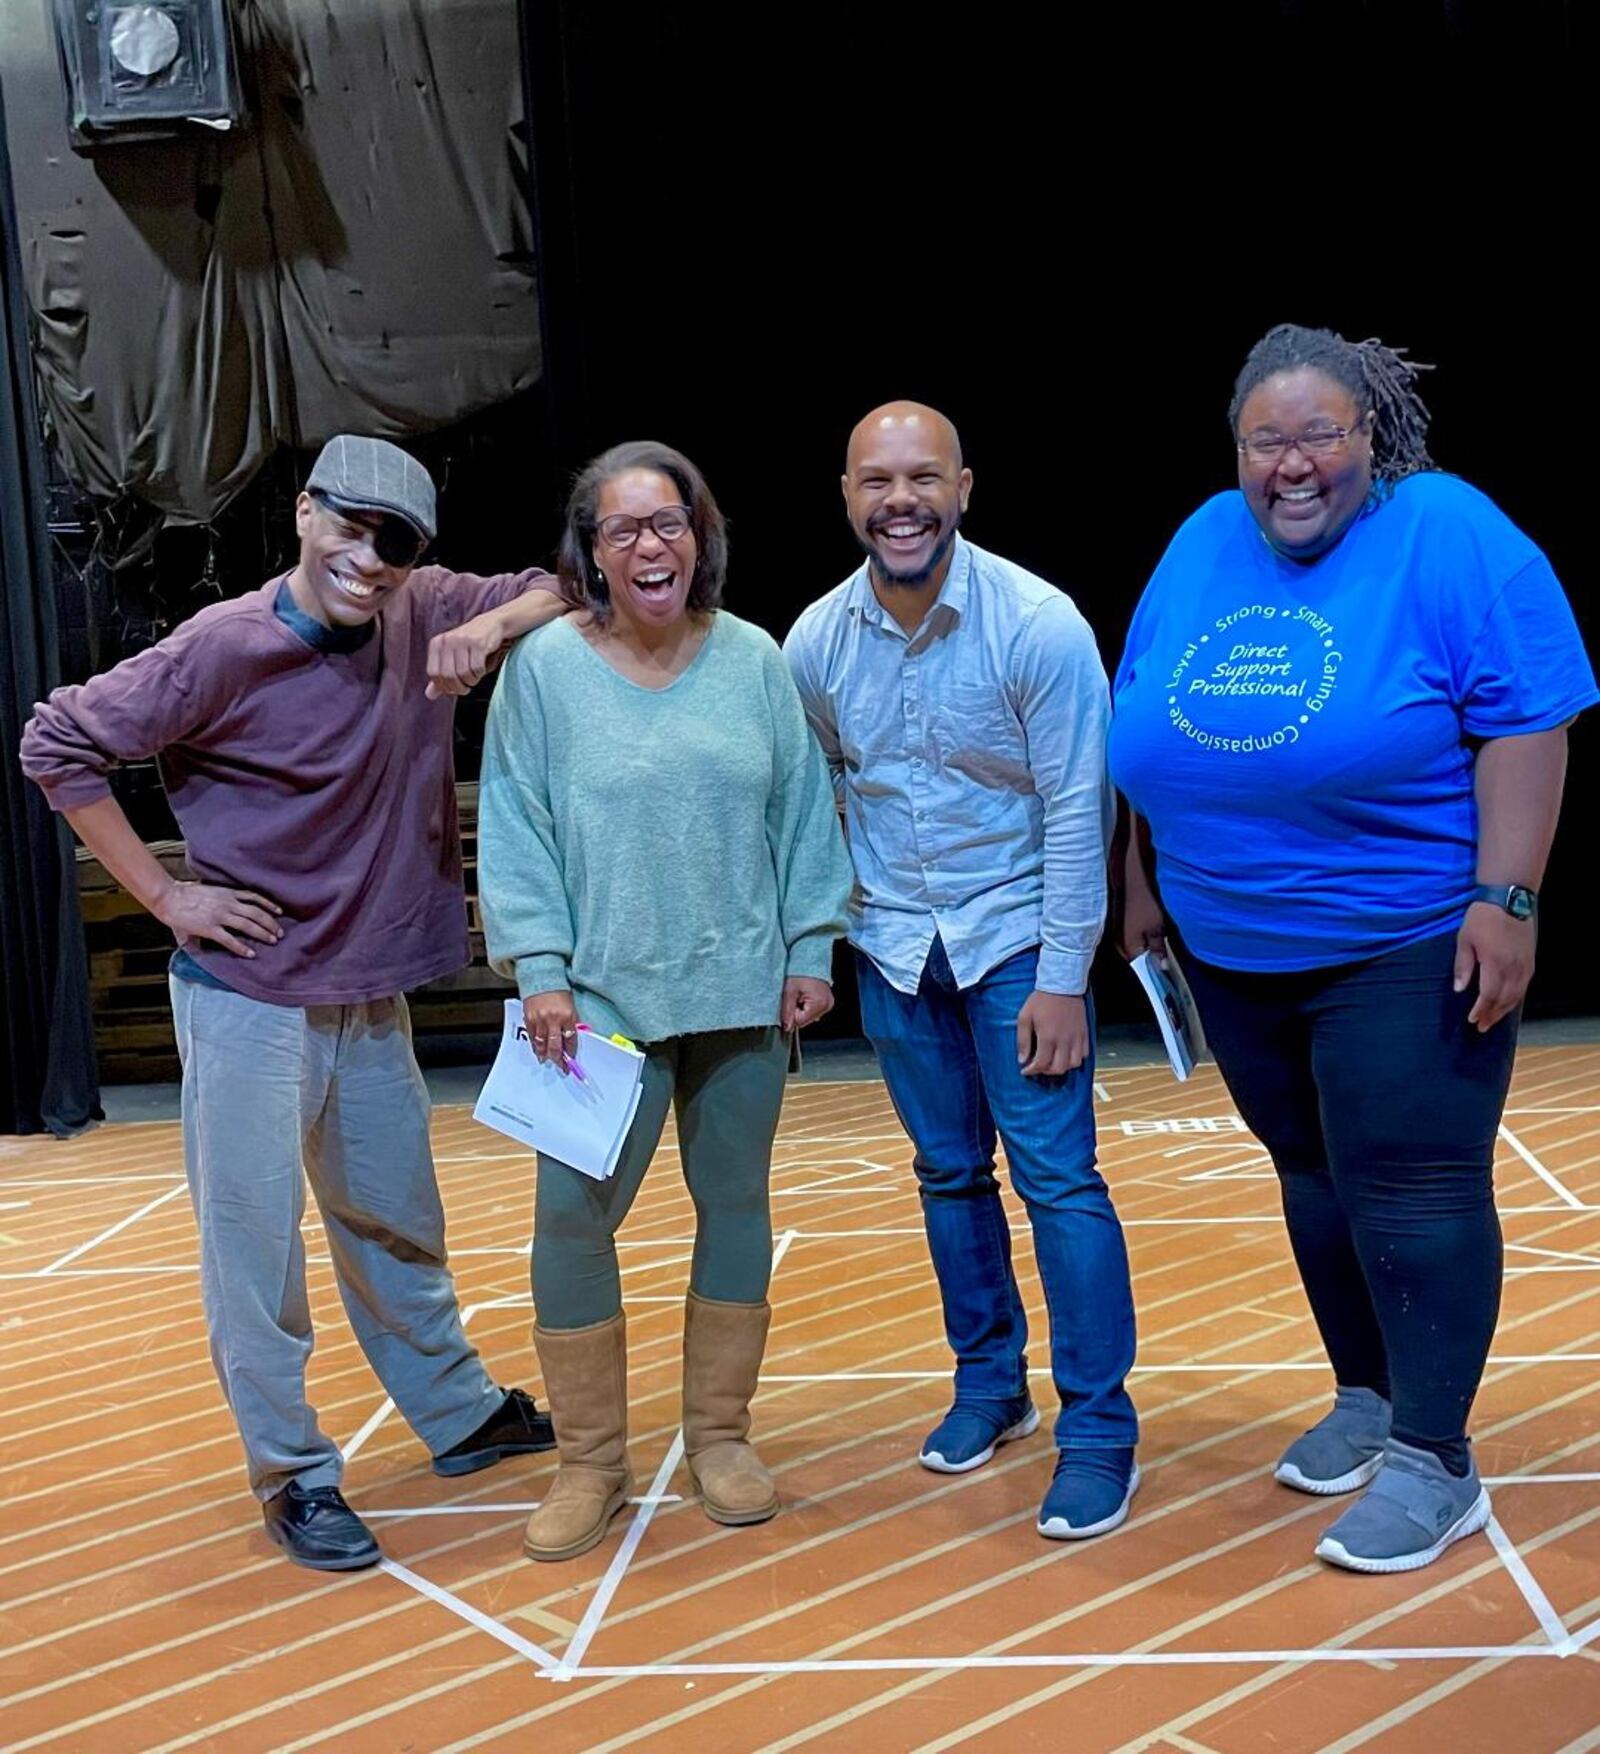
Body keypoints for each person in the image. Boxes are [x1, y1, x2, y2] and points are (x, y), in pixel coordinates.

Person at [20, 436, 570, 1572]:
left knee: (396, 1220)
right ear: (308, 512)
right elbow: (56, 740)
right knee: (256, 1252)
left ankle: (457, 1412)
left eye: (396, 544)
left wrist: (490, 628)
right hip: (250, 995)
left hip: (366, 992)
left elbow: (558, 587)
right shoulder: (222, 645)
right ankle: (292, 1471)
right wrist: (167, 894)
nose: (370, 559)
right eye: (352, 527)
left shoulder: (421, 605)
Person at [1110, 324, 1597, 1573]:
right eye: (1263, 441)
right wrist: (1139, 882)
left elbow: (1528, 720)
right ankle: (1369, 1396)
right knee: (1312, 1172)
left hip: (1405, 939)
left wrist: (1508, 896)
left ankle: (1435, 1457)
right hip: (1230, 946)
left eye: (1319, 434)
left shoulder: (1448, 530)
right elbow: (1143, 718)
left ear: (1369, 435)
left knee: (1414, 1185)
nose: (1291, 465)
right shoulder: (1200, 538)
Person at [476, 439, 852, 1563]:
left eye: (670, 522)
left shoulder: (752, 659)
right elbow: (515, 819)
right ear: (590, 553)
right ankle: (591, 1462)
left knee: (735, 1209)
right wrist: (539, 967)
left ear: (701, 538)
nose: (651, 544)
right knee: (569, 1222)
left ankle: (720, 1439)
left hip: (741, 992)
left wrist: (811, 943)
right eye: (625, 528)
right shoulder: (544, 668)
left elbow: (802, 812)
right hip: (597, 1005)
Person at [785, 401, 1140, 1541]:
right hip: (894, 945)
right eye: (877, 480)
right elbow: (816, 792)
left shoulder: (1036, 623)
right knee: (947, 1176)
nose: (901, 500)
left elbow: (1078, 808)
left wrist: (1063, 976)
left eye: (923, 477)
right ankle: (991, 1386)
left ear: (964, 489)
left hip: (1016, 941)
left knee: (1059, 1183)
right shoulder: (814, 641)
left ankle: (1099, 1431)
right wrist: (823, 935)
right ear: (847, 496)